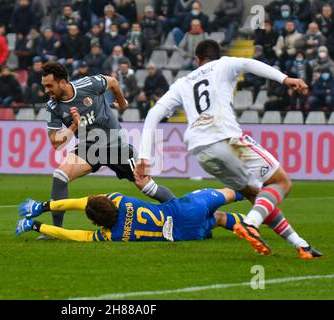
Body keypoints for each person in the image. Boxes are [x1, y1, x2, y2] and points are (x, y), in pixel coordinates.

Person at [136, 40, 322, 259]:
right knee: (281, 182)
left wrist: (144, 157)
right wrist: (285, 78)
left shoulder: (182, 83)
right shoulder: (224, 64)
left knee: (255, 194)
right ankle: (250, 223)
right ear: (217, 55)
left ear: (197, 60)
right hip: (228, 140)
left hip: (201, 152)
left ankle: (300, 245)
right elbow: (250, 63)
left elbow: (153, 114)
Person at [39, 61, 175, 234]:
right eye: (44, 86)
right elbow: (56, 143)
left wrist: (122, 103)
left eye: (49, 86)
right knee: (60, 176)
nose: (46, 91)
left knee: (148, 187)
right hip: (89, 148)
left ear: (63, 82)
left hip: (116, 144)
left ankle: (183, 212)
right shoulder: (53, 107)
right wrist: (74, 126)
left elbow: (112, 82)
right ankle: (56, 231)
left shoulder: (88, 84)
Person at [15, 188, 247, 242]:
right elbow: (80, 202)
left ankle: (252, 222)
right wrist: (43, 206)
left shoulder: (111, 235)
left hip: (186, 234)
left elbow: (74, 235)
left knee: (218, 219)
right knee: (229, 193)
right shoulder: (118, 199)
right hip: (185, 209)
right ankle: (263, 200)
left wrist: (36, 225)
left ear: (97, 223)